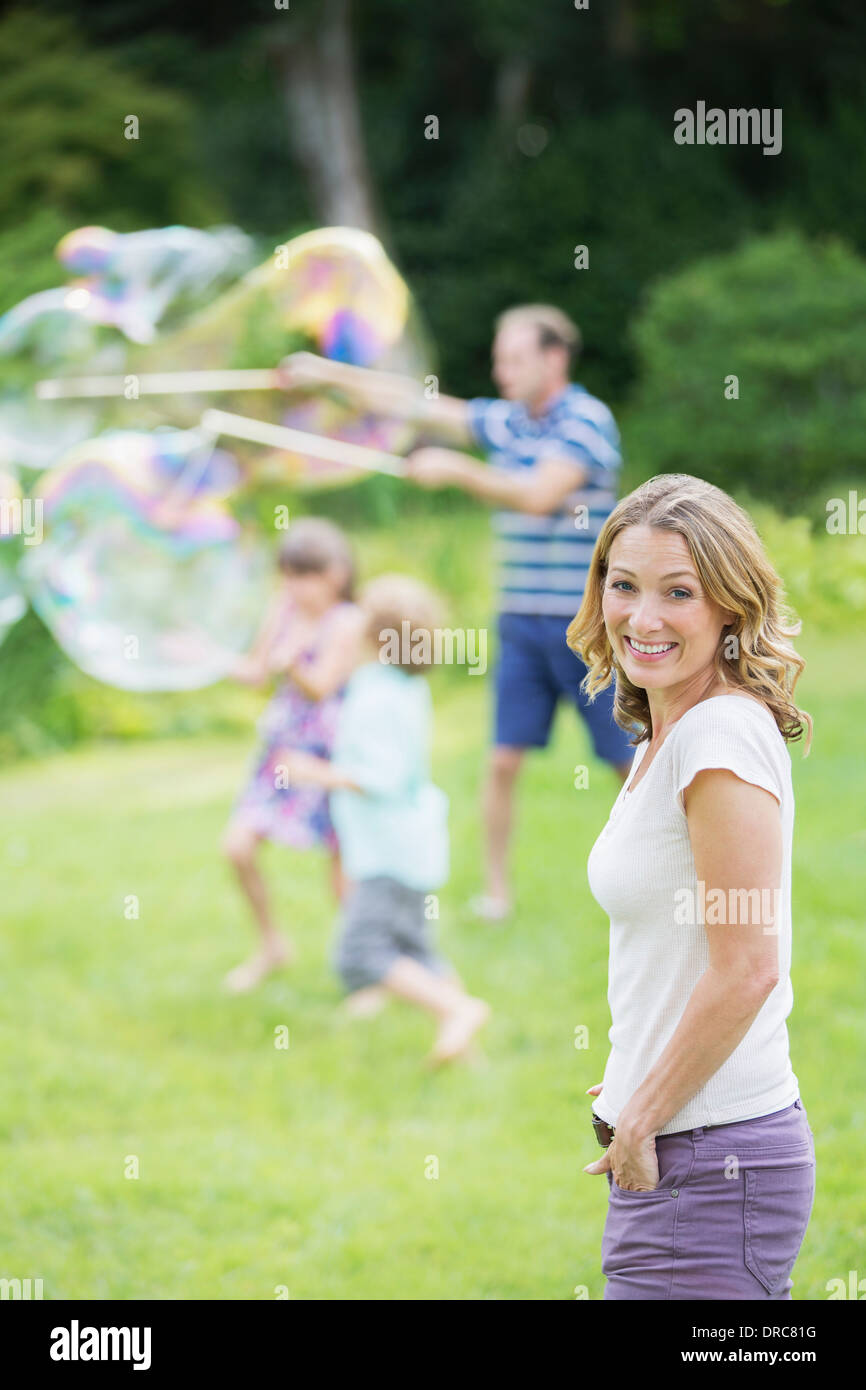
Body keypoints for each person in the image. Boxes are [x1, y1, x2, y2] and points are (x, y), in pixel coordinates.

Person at [278, 304, 633, 922]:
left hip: (587, 626)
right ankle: (497, 893)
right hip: (521, 621)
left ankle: (666, 867)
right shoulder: (508, 423)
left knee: (624, 760)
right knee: (501, 761)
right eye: (499, 358)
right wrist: (326, 376)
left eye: (514, 359)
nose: (501, 370)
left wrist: (455, 470)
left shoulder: (584, 419)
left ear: (554, 359)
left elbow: (538, 495)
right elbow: (416, 405)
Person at [569, 473, 816, 1300]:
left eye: (679, 592)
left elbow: (747, 965)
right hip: (694, 1148)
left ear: (729, 605)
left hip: (713, 1163)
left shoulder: (715, 737)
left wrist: (643, 1114)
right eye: (623, 583)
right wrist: (643, 1056)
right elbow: (680, 945)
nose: (642, 617)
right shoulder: (666, 729)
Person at [278, 573, 491, 1065]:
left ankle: (459, 1010)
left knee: (359, 953)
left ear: (373, 636)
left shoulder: (374, 696)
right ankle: (465, 1047)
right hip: (411, 844)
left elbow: (382, 776)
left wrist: (313, 772)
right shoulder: (403, 687)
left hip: (387, 852)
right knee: (417, 950)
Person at [222, 518, 365, 994]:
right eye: (289, 575)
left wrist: (294, 666)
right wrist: (206, 656)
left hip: (328, 756)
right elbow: (256, 672)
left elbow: (322, 685)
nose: (297, 587)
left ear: (337, 574)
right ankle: (271, 945)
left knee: (342, 875)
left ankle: (370, 969)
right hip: (281, 751)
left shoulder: (347, 620)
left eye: (307, 575)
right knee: (237, 847)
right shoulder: (282, 608)